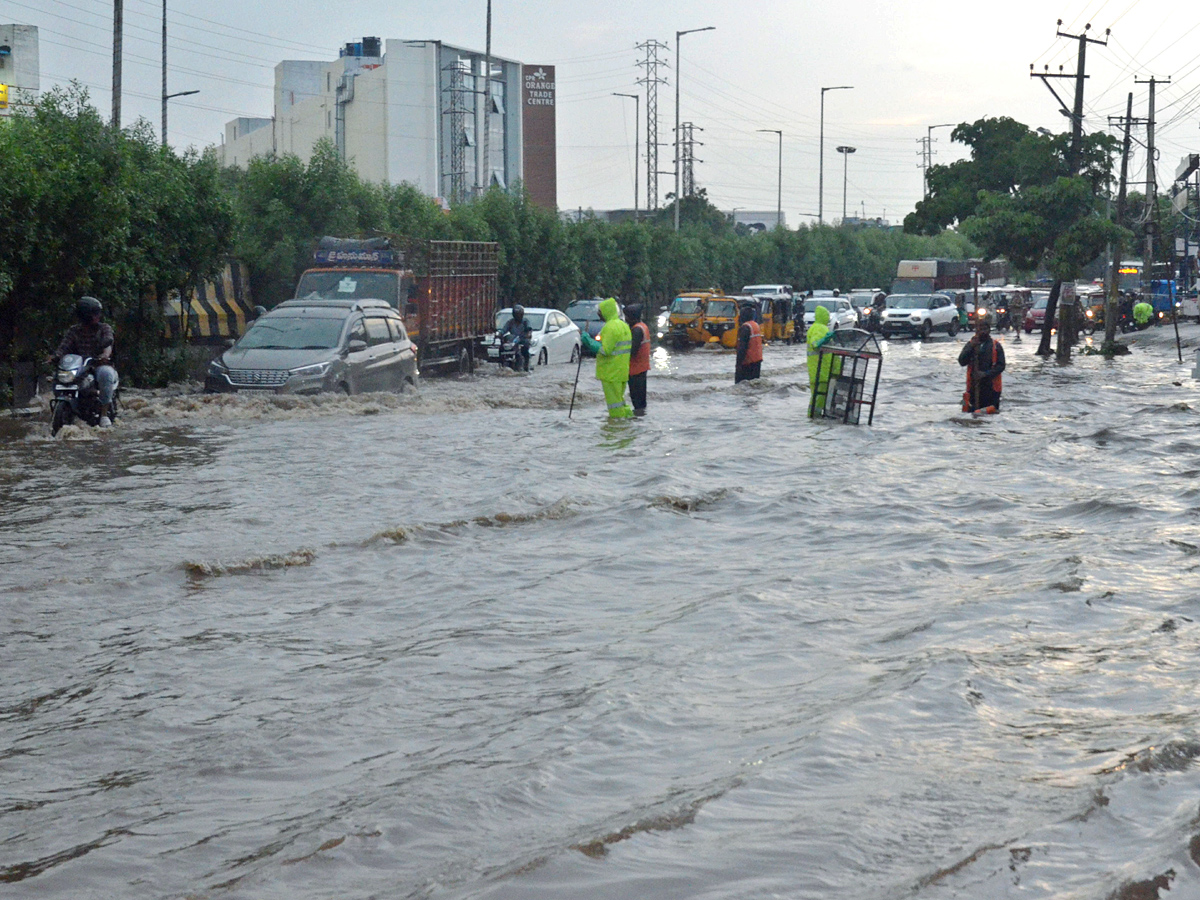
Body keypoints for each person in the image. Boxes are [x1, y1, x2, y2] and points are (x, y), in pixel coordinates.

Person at [51, 296, 117, 427]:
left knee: (106, 374)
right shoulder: (73, 331)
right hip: (78, 367)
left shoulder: (104, 328)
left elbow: (108, 342)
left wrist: (105, 354)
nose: (98, 316)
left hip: (98, 364)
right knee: (57, 377)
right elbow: (64, 347)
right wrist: (55, 356)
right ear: (85, 315)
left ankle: (104, 414)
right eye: (95, 313)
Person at [579, 298, 632, 418]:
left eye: (600, 312)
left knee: (614, 406)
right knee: (620, 401)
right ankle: (628, 421)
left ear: (606, 312)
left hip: (611, 373)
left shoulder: (610, 327)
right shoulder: (623, 325)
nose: (599, 315)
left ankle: (616, 429)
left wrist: (587, 340)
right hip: (621, 371)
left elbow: (605, 350)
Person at [958, 316, 1006, 414]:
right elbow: (962, 361)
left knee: (989, 413)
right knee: (973, 413)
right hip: (974, 386)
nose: (983, 332)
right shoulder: (971, 344)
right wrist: (971, 346)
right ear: (977, 330)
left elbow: (1001, 366)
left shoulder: (996, 346)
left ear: (989, 330)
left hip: (991, 389)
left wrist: (985, 374)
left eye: (985, 329)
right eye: (980, 329)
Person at [806, 305, 840, 417]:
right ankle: (814, 417)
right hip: (822, 371)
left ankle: (813, 419)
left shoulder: (817, 327)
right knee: (819, 398)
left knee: (817, 397)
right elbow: (815, 343)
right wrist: (824, 339)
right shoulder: (819, 328)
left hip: (817, 371)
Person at [625, 303, 650, 416]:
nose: (625, 319)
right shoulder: (643, 326)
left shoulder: (636, 330)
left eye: (627, 317)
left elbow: (632, 351)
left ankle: (638, 419)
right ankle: (641, 418)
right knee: (641, 400)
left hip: (635, 369)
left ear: (632, 317)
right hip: (642, 367)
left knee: (637, 400)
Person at [735, 302, 763, 383]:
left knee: (742, 386)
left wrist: (738, 365)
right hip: (757, 361)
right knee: (754, 385)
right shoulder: (756, 325)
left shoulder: (745, 328)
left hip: (748, 363)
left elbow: (742, 348)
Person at [501, 304, 533, 371]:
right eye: (516, 314)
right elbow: (504, 330)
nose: (517, 316)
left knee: (525, 348)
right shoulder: (510, 322)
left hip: (523, 339)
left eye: (519, 314)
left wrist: (528, 334)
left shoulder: (525, 322)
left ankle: (526, 365)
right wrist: (499, 334)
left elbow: (529, 330)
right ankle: (503, 362)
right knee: (502, 348)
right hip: (513, 341)